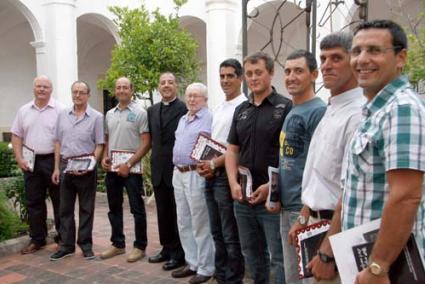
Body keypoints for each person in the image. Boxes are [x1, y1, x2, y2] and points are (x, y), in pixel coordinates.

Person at [315, 20, 425, 284]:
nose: (362, 59)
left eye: (374, 50)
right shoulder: (372, 111)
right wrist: (330, 249)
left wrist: (379, 267)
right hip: (360, 257)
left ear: (401, 58)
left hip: (391, 267)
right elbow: (352, 190)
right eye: (357, 51)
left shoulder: (402, 109)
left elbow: (406, 196)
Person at [288, 32, 365, 284]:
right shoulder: (332, 110)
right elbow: (320, 176)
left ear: (354, 61)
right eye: (323, 58)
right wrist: (303, 218)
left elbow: (351, 191)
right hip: (315, 223)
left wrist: (328, 253)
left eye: (336, 58)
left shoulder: (357, 116)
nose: (326, 65)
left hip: (336, 232)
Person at [226, 51, 292, 284]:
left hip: (271, 198)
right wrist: (233, 183)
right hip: (242, 198)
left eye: (259, 73)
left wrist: (270, 186)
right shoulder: (241, 110)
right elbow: (232, 149)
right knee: (251, 254)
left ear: (271, 74)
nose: (253, 78)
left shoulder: (285, 108)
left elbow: (292, 156)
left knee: (278, 257)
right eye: (249, 74)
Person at [266, 49, 327, 283]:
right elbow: (292, 159)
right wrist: (270, 186)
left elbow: (320, 169)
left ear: (314, 74)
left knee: (307, 278)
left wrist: (304, 215)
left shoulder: (318, 111)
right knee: (292, 276)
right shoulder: (294, 110)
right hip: (287, 207)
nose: (291, 76)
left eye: (298, 71)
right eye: (288, 71)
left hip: (304, 212)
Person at [197, 59, 246, 284]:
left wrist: (214, 164)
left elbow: (237, 148)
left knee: (229, 233)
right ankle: (220, 273)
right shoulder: (219, 107)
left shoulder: (243, 107)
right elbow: (214, 143)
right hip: (212, 174)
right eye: (222, 76)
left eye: (230, 76)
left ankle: (233, 278)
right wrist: (204, 165)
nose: (225, 80)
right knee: (215, 230)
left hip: (227, 177)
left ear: (240, 78)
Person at [50, 81, 104, 261]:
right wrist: (56, 167)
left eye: (81, 92)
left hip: (86, 168)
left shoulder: (96, 117)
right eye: (75, 92)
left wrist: (91, 164)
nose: (78, 95)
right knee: (64, 209)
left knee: (86, 208)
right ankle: (66, 245)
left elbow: (99, 144)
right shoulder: (62, 115)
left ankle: (86, 245)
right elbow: (57, 142)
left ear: (88, 95)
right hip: (66, 166)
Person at [100, 77, 150, 262]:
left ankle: (140, 246)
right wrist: (105, 157)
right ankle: (118, 244)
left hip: (132, 170)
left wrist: (128, 164)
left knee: (137, 208)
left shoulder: (140, 113)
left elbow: (146, 143)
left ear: (131, 90)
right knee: (114, 208)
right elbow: (107, 139)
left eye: (125, 87)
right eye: (118, 87)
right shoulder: (109, 114)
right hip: (113, 169)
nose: (121, 90)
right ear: (115, 90)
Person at [11, 75, 63, 254]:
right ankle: (37, 239)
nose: (41, 89)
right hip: (31, 161)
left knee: (59, 200)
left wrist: (57, 166)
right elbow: (16, 136)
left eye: (45, 87)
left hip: (53, 160)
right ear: (33, 88)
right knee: (34, 201)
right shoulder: (24, 110)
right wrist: (19, 158)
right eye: (39, 86)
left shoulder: (60, 110)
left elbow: (62, 138)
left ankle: (63, 237)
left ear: (51, 90)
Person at [171, 83, 215, 284]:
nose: (191, 99)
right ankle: (192, 262)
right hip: (178, 173)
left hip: (195, 174)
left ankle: (206, 267)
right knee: (184, 220)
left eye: (196, 96)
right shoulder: (183, 118)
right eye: (189, 96)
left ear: (205, 99)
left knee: (200, 221)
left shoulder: (209, 118)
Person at [147, 72, 186, 270]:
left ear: (176, 86)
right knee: (162, 213)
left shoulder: (184, 109)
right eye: (163, 83)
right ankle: (166, 248)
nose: (166, 85)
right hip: (158, 169)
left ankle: (179, 253)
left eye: (170, 82)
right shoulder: (152, 110)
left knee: (177, 213)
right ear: (158, 86)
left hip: (177, 169)